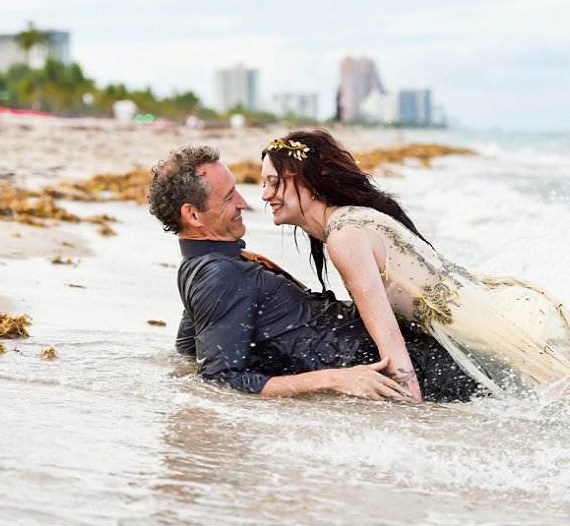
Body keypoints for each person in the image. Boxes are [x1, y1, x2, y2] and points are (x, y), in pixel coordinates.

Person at [258, 129, 570, 398]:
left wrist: (408, 410)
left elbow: (390, 340)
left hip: (506, 329)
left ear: (308, 182)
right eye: (263, 183)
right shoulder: (356, 219)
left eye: (274, 182)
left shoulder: (344, 237)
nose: (264, 195)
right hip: (515, 310)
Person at [148, 146, 481, 402]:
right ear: (193, 214)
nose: (244, 202)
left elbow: (187, 350)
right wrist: (335, 379)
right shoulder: (217, 275)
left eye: (236, 189)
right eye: (228, 196)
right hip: (401, 369)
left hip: (405, 352)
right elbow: (220, 379)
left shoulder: (199, 268)